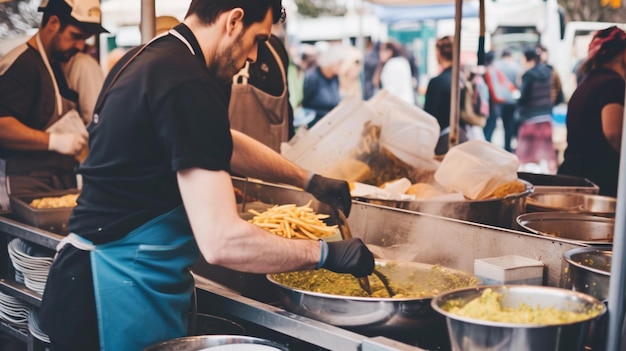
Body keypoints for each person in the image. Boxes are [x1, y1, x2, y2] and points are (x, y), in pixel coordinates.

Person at [37, 1, 375, 350]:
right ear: (234, 19)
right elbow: (222, 241)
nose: (254, 56)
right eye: (258, 38)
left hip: (117, 279)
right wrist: (325, 254)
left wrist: (306, 179)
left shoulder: (159, 57)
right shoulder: (185, 79)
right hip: (112, 293)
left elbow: (216, 138)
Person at [0, 0, 106, 209]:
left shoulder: (55, 63)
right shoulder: (23, 65)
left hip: (52, 184)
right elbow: (2, 126)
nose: (80, 46)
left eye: (85, 39)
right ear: (53, 23)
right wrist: (55, 141)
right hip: (20, 191)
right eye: (76, 36)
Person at [558, 26, 626, 197]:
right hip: (598, 181)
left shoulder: (586, 82)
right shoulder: (614, 83)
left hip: (573, 177)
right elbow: (613, 133)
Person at [229, 33, 294, 152]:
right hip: (225, 163)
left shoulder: (275, 47)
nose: (253, 57)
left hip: (274, 162)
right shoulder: (218, 51)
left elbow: (287, 111)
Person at [515, 47, 558, 173]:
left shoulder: (528, 75)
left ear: (527, 58)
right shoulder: (549, 72)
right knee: (547, 155)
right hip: (546, 117)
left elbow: (524, 97)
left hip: (530, 118)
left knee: (525, 155)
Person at [424, 35, 468, 155]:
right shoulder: (463, 79)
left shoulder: (437, 82)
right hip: (464, 136)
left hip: (444, 141)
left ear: (439, 53)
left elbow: (429, 116)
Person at [302, 43, 344, 128]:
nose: (341, 66)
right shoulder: (313, 77)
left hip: (331, 125)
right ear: (331, 61)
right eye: (339, 63)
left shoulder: (335, 77)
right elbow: (303, 103)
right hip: (315, 127)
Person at [493, 47, 522, 152]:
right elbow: (519, 84)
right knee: (508, 125)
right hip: (511, 100)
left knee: (494, 125)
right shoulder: (516, 67)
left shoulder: (495, 66)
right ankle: (507, 147)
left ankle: (491, 147)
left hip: (497, 99)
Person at [374, 40, 415, 105]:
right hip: (406, 104)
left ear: (389, 52)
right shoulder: (402, 61)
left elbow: (391, 90)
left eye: (382, 50)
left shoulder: (392, 64)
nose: (379, 53)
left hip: (396, 106)